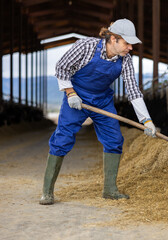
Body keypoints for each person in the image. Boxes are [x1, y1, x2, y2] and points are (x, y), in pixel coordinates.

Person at [39, 19, 156, 205]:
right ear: (113, 39)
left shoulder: (125, 60)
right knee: (62, 138)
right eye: (127, 43)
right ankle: (47, 191)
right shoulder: (86, 46)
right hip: (76, 97)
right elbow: (62, 67)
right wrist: (70, 93)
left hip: (102, 101)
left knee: (115, 140)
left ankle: (110, 190)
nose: (131, 48)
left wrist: (146, 121)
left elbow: (133, 90)